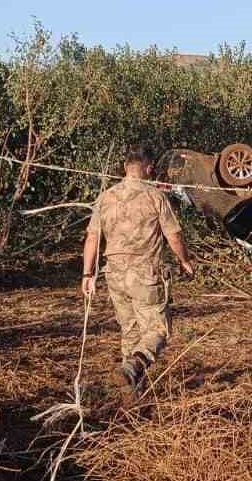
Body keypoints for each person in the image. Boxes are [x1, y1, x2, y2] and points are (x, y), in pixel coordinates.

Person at [81, 143, 195, 391]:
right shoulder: (155, 196)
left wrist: (87, 273)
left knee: (130, 332)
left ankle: (130, 391)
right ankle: (134, 366)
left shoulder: (105, 197)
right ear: (149, 168)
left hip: (114, 275)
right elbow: (173, 235)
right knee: (158, 330)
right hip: (145, 274)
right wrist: (185, 260)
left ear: (125, 167)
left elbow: (92, 238)